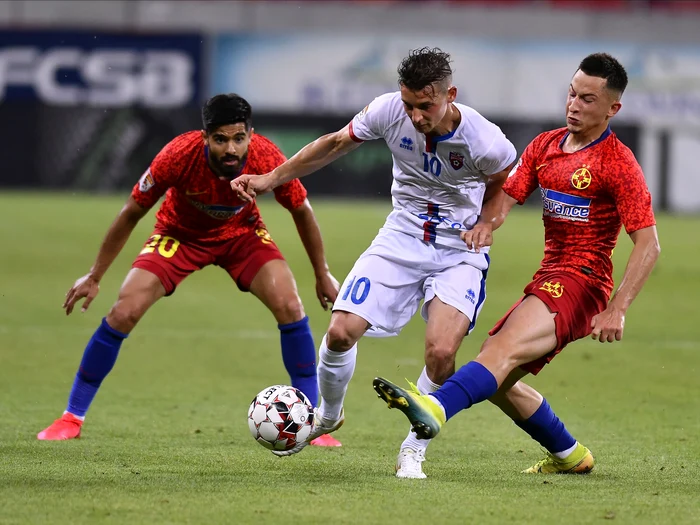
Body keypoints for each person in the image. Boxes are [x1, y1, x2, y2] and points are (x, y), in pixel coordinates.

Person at [232, 48, 517, 475]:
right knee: (341, 330)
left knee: (441, 353)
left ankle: (413, 448)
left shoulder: (485, 139)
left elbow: (506, 184)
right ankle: (327, 416)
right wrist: (271, 178)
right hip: (400, 236)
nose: (416, 116)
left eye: (426, 105)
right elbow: (334, 144)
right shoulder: (387, 111)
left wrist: (488, 222)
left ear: (449, 95)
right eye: (409, 104)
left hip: (459, 250)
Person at [373, 52, 661, 474]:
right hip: (550, 275)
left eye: (587, 99)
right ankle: (570, 455)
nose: (574, 105)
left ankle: (433, 408)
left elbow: (648, 244)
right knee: (499, 377)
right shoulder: (546, 145)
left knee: (498, 354)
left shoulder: (617, 164)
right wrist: (488, 224)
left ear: (612, 108)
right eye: (571, 94)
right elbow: (509, 192)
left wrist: (618, 307)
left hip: (583, 281)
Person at [37, 93, 342, 448]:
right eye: (221, 139)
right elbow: (131, 212)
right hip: (178, 235)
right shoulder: (177, 155)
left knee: (290, 306)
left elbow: (302, 210)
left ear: (251, 135)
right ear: (204, 136)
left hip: (241, 236)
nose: (231, 149)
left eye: (239, 138)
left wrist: (322, 273)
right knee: (125, 310)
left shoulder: (266, 156)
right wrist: (94, 275)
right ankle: (71, 417)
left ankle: (310, 422)